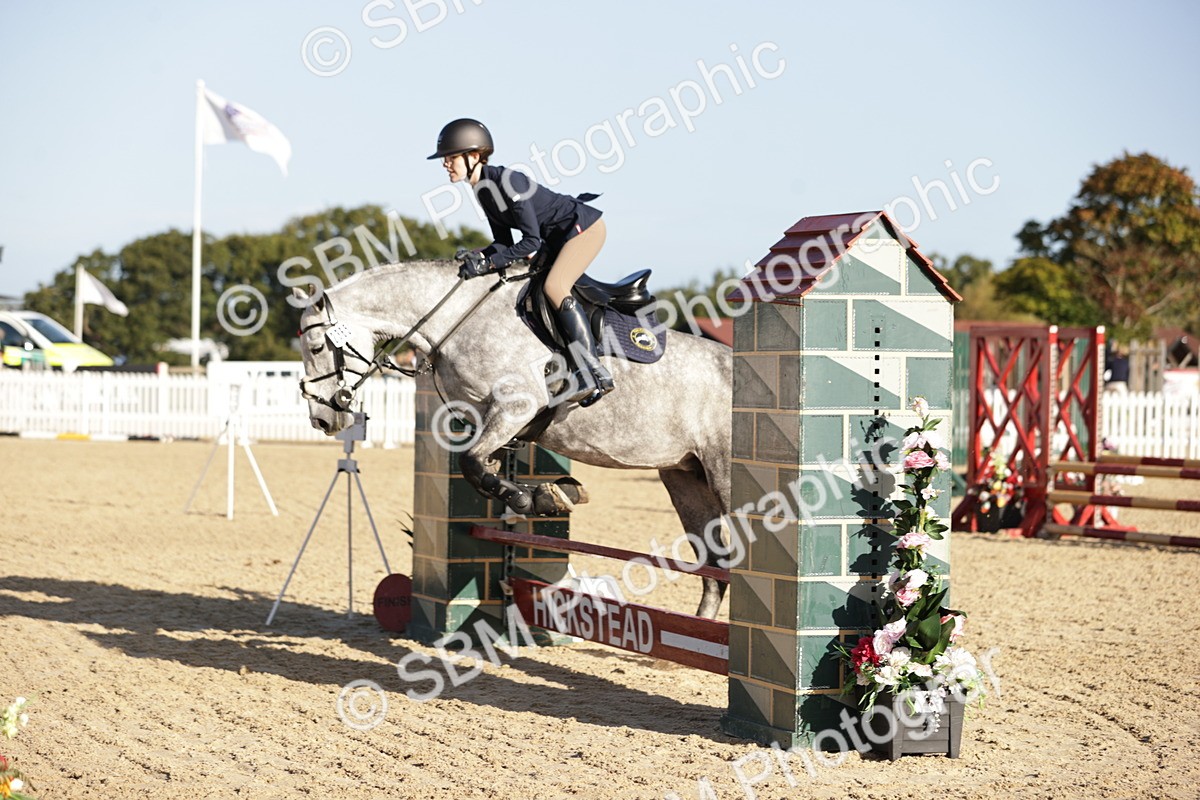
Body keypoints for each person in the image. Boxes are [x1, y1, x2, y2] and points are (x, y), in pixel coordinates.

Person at [428, 118, 614, 407]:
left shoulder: (508, 181)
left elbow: (530, 242)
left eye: (451, 157)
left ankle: (592, 371)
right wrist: (480, 256)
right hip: (557, 240)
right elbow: (502, 243)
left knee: (554, 286)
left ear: (473, 156)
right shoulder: (483, 190)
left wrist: (488, 265)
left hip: (583, 229)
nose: (445, 164)